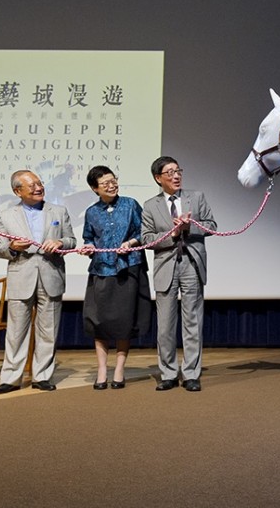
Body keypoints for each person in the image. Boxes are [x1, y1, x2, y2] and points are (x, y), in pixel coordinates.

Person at [0, 170, 76, 395]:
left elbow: (71, 241)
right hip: (21, 276)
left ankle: (42, 376)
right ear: (17, 191)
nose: (39, 187)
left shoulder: (59, 210)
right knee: (16, 332)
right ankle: (11, 378)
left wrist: (59, 242)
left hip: (51, 275)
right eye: (32, 185)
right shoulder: (7, 215)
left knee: (49, 330)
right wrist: (12, 248)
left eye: (39, 183)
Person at [141, 156, 217, 392]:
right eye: (170, 172)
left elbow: (212, 226)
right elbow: (146, 240)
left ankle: (192, 374)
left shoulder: (196, 197)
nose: (176, 176)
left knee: (193, 322)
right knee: (165, 326)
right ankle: (168, 373)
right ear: (158, 178)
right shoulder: (150, 205)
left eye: (178, 171)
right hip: (166, 266)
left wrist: (189, 226)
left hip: (192, 265)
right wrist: (173, 234)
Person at [78, 165, 151, 390]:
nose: (111, 185)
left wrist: (130, 243)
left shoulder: (130, 204)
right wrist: (88, 247)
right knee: (99, 322)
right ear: (94, 189)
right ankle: (102, 369)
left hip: (127, 268)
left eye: (113, 180)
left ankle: (119, 369)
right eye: (105, 183)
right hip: (101, 270)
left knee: (123, 321)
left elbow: (144, 232)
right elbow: (88, 237)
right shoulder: (91, 212)